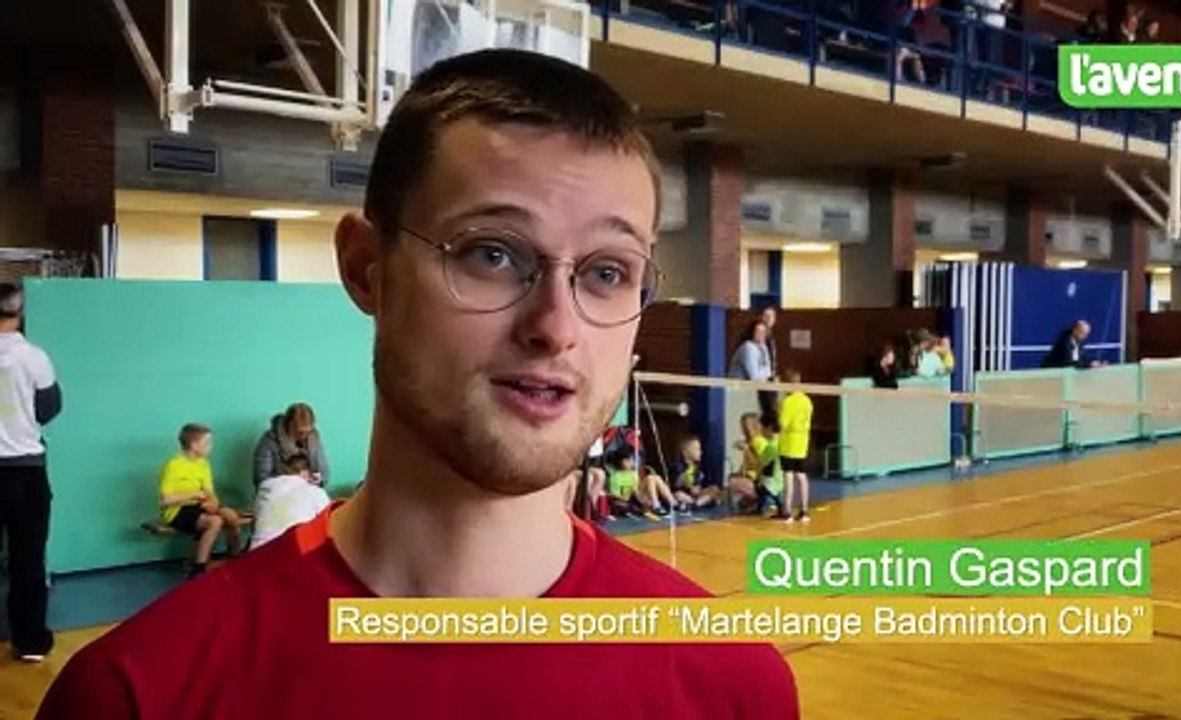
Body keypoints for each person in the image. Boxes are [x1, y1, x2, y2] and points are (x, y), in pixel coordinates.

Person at [39, 49, 797, 719]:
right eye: (492, 254)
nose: (557, 327)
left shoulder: (732, 681)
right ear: (367, 267)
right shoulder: (141, 693)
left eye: (606, 272)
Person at [0, 283, 62, 663]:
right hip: (24, 471)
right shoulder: (34, 357)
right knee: (27, 558)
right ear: (19, 313)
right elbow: (48, 409)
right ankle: (30, 642)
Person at [157, 424, 246, 578]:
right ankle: (198, 568)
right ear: (194, 445)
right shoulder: (173, 465)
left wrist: (213, 504)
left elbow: (209, 491)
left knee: (230, 515)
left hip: (198, 506)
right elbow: (165, 500)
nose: (211, 447)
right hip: (177, 511)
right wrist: (194, 494)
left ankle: (235, 558)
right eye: (207, 443)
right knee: (214, 522)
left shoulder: (203, 464)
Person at [250, 454, 332, 550]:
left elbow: (256, 519)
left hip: (256, 552)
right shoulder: (315, 492)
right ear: (305, 473)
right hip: (290, 553)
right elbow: (328, 524)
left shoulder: (265, 488)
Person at [253, 402, 330, 487]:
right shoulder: (268, 442)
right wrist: (291, 482)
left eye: (307, 432)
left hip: (309, 490)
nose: (303, 436)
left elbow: (323, 473)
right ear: (288, 425)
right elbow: (261, 479)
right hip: (278, 493)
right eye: (299, 432)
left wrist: (317, 480)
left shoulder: (313, 439)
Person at [777, 368, 813, 523]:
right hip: (803, 442)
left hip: (789, 443)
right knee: (802, 475)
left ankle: (787, 511)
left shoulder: (787, 402)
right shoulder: (807, 401)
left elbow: (783, 424)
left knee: (788, 475)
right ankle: (804, 510)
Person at [730, 319, 775, 416]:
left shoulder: (763, 346)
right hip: (738, 392)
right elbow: (754, 376)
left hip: (753, 390)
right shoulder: (748, 347)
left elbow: (769, 371)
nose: (761, 335)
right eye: (758, 332)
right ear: (752, 332)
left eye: (763, 332)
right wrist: (765, 374)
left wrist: (764, 374)